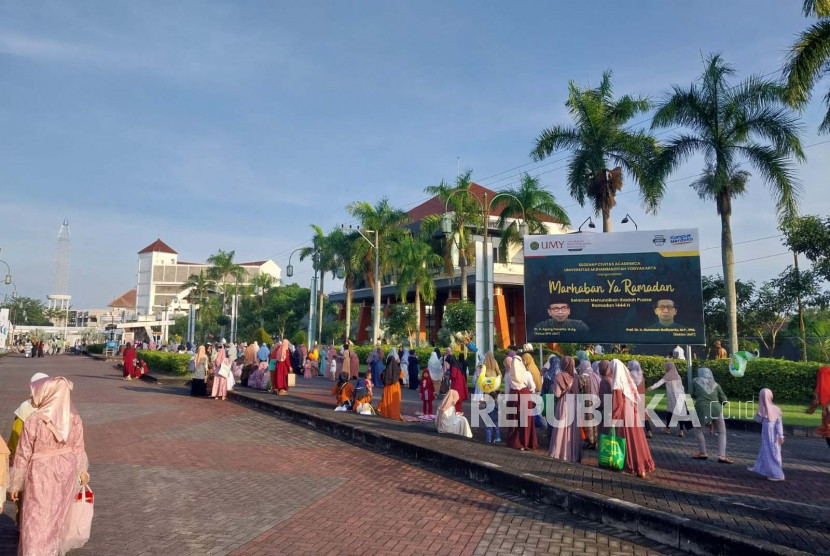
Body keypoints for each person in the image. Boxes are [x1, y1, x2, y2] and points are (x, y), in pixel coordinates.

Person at [9, 376, 90, 555]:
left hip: (40, 471)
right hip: (65, 471)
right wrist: (82, 472)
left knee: (36, 515)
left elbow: (23, 453)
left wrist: (16, 485)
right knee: (56, 517)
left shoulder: (35, 419)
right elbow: (78, 448)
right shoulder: (74, 418)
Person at [606, 359, 656, 478]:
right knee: (637, 439)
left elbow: (617, 403)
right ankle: (641, 467)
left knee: (625, 439)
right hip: (632, 412)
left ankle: (629, 466)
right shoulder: (629, 382)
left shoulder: (618, 382)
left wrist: (613, 418)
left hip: (623, 413)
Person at [691, 367, 732, 463]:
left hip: (701, 408)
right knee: (722, 431)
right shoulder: (716, 384)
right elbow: (724, 400)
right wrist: (718, 405)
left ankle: (702, 452)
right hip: (716, 409)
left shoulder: (695, 381)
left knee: (698, 430)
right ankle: (722, 456)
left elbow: (692, 394)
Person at [548, 356, 582, 462]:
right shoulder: (576, 377)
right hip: (575, 403)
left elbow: (557, 394)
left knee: (561, 428)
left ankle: (559, 453)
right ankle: (573, 454)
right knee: (573, 430)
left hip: (564, 404)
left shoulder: (559, 376)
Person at [748, 388, 785, 481]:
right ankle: (759, 467)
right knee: (765, 451)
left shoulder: (776, 410)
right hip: (766, 437)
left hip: (773, 437)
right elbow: (758, 419)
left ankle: (778, 474)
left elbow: (778, 425)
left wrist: (781, 435)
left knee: (773, 453)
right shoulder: (763, 410)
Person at [504, 352, 537, 451]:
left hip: (513, 398)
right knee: (526, 420)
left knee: (514, 420)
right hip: (525, 396)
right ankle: (526, 441)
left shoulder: (508, 375)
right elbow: (533, 387)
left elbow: (507, 390)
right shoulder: (526, 373)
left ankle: (516, 441)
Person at [647, 361, 690, 437]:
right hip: (680, 396)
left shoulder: (668, 375)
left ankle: (667, 428)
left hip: (672, 397)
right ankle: (681, 431)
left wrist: (651, 388)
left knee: (670, 412)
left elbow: (659, 383)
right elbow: (682, 387)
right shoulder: (678, 375)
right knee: (680, 413)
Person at [627, 360, 653, 438]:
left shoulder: (631, 375)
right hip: (642, 396)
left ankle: (636, 433)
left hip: (634, 397)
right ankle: (649, 431)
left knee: (633, 414)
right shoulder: (641, 375)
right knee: (644, 414)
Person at [578, 360, 600, 449]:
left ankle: (590, 440)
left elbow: (579, 388)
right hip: (597, 401)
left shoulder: (583, 377)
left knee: (589, 422)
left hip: (587, 402)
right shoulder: (596, 375)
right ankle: (595, 441)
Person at [806, 366, 830, 449]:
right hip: (827, 412)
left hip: (827, 413)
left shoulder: (820, 384)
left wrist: (810, 410)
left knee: (828, 433)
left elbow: (815, 401)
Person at [377, 353, 402, 420]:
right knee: (395, 402)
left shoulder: (385, 371)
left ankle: (386, 414)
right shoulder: (398, 370)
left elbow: (380, 376)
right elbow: (402, 375)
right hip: (395, 387)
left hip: (387, 388)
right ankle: (395, 415)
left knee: (387, 401)